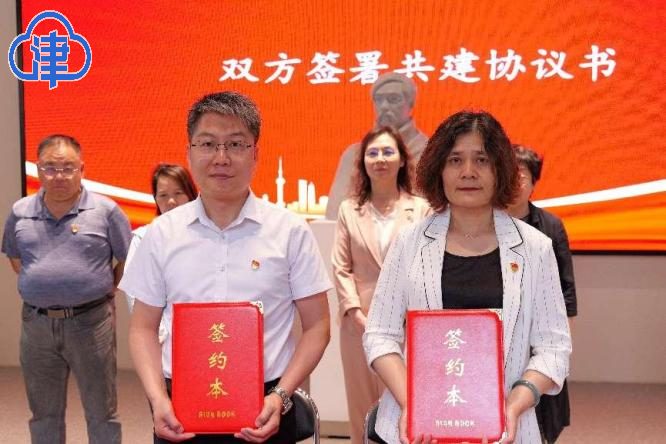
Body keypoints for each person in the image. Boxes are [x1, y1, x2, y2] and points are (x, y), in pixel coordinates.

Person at [119, 91, 332, 443]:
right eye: (208, 144)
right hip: (181, 410)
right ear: (189, 152)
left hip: (267, 407)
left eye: (235, 144)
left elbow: (318, 326)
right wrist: (158, 399)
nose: (221, 158)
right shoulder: (160, 234)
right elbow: (142, 329)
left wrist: (281, 395)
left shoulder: (290, 231)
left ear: (255, 154)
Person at [363, 111, 572, 444]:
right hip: (419, 430)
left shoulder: (535, 248)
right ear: (439, 170)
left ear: (500, 169)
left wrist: (514, 405)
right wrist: (414, 404)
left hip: (505, 429)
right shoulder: (409, 243)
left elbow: (554, 348)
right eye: (455, 160)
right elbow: (379, 335)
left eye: (482, 160)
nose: (468, 172)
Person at [2, 134, 131, 444]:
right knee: (43, 412)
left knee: (101, 411)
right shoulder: (20, 211)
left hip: (91, 323)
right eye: (50, 168)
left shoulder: (106, 210)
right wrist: (44, 283)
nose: (58, 176)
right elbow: (17, 259)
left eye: (68, 168)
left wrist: (103, 285)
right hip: (36, 324)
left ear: (82, 169)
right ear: (38, 169)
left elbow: (128, 258)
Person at [332, 126, 431, 443]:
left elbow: (427, 266)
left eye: (388, 152)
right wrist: (356, 313)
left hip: (407, 324)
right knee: (362, 406)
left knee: (403, 404)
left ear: (402, 159)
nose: (380, 159)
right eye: (372, 153)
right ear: (363, 161)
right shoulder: (349, 210)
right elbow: (341, 267)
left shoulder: (421, 209)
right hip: (358, 325)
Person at [507, 145, 577, 443]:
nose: (517, 181)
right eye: (510, 174)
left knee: (543, 404)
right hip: (503, 329)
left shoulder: (550, 226)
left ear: (534, 182)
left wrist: (562, 343)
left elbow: (566, 288)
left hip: (542, 329)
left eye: (523, 174)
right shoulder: (487, 223)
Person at [325, 72, 428, 220]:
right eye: (379, 100)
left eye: (393, 99)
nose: (384, 106)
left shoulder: (431, 153)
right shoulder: (353, 155)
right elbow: (334, 217)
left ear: (411, 103)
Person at [124, 163, 197, 348]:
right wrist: (161, 335)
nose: (171, 201)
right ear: (155, 199)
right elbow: (135, 295)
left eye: (178, 193)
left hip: (208, 332)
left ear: (191, 194)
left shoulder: (211, 234)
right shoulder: (143, 239)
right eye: (163, 195)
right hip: (164, 340)